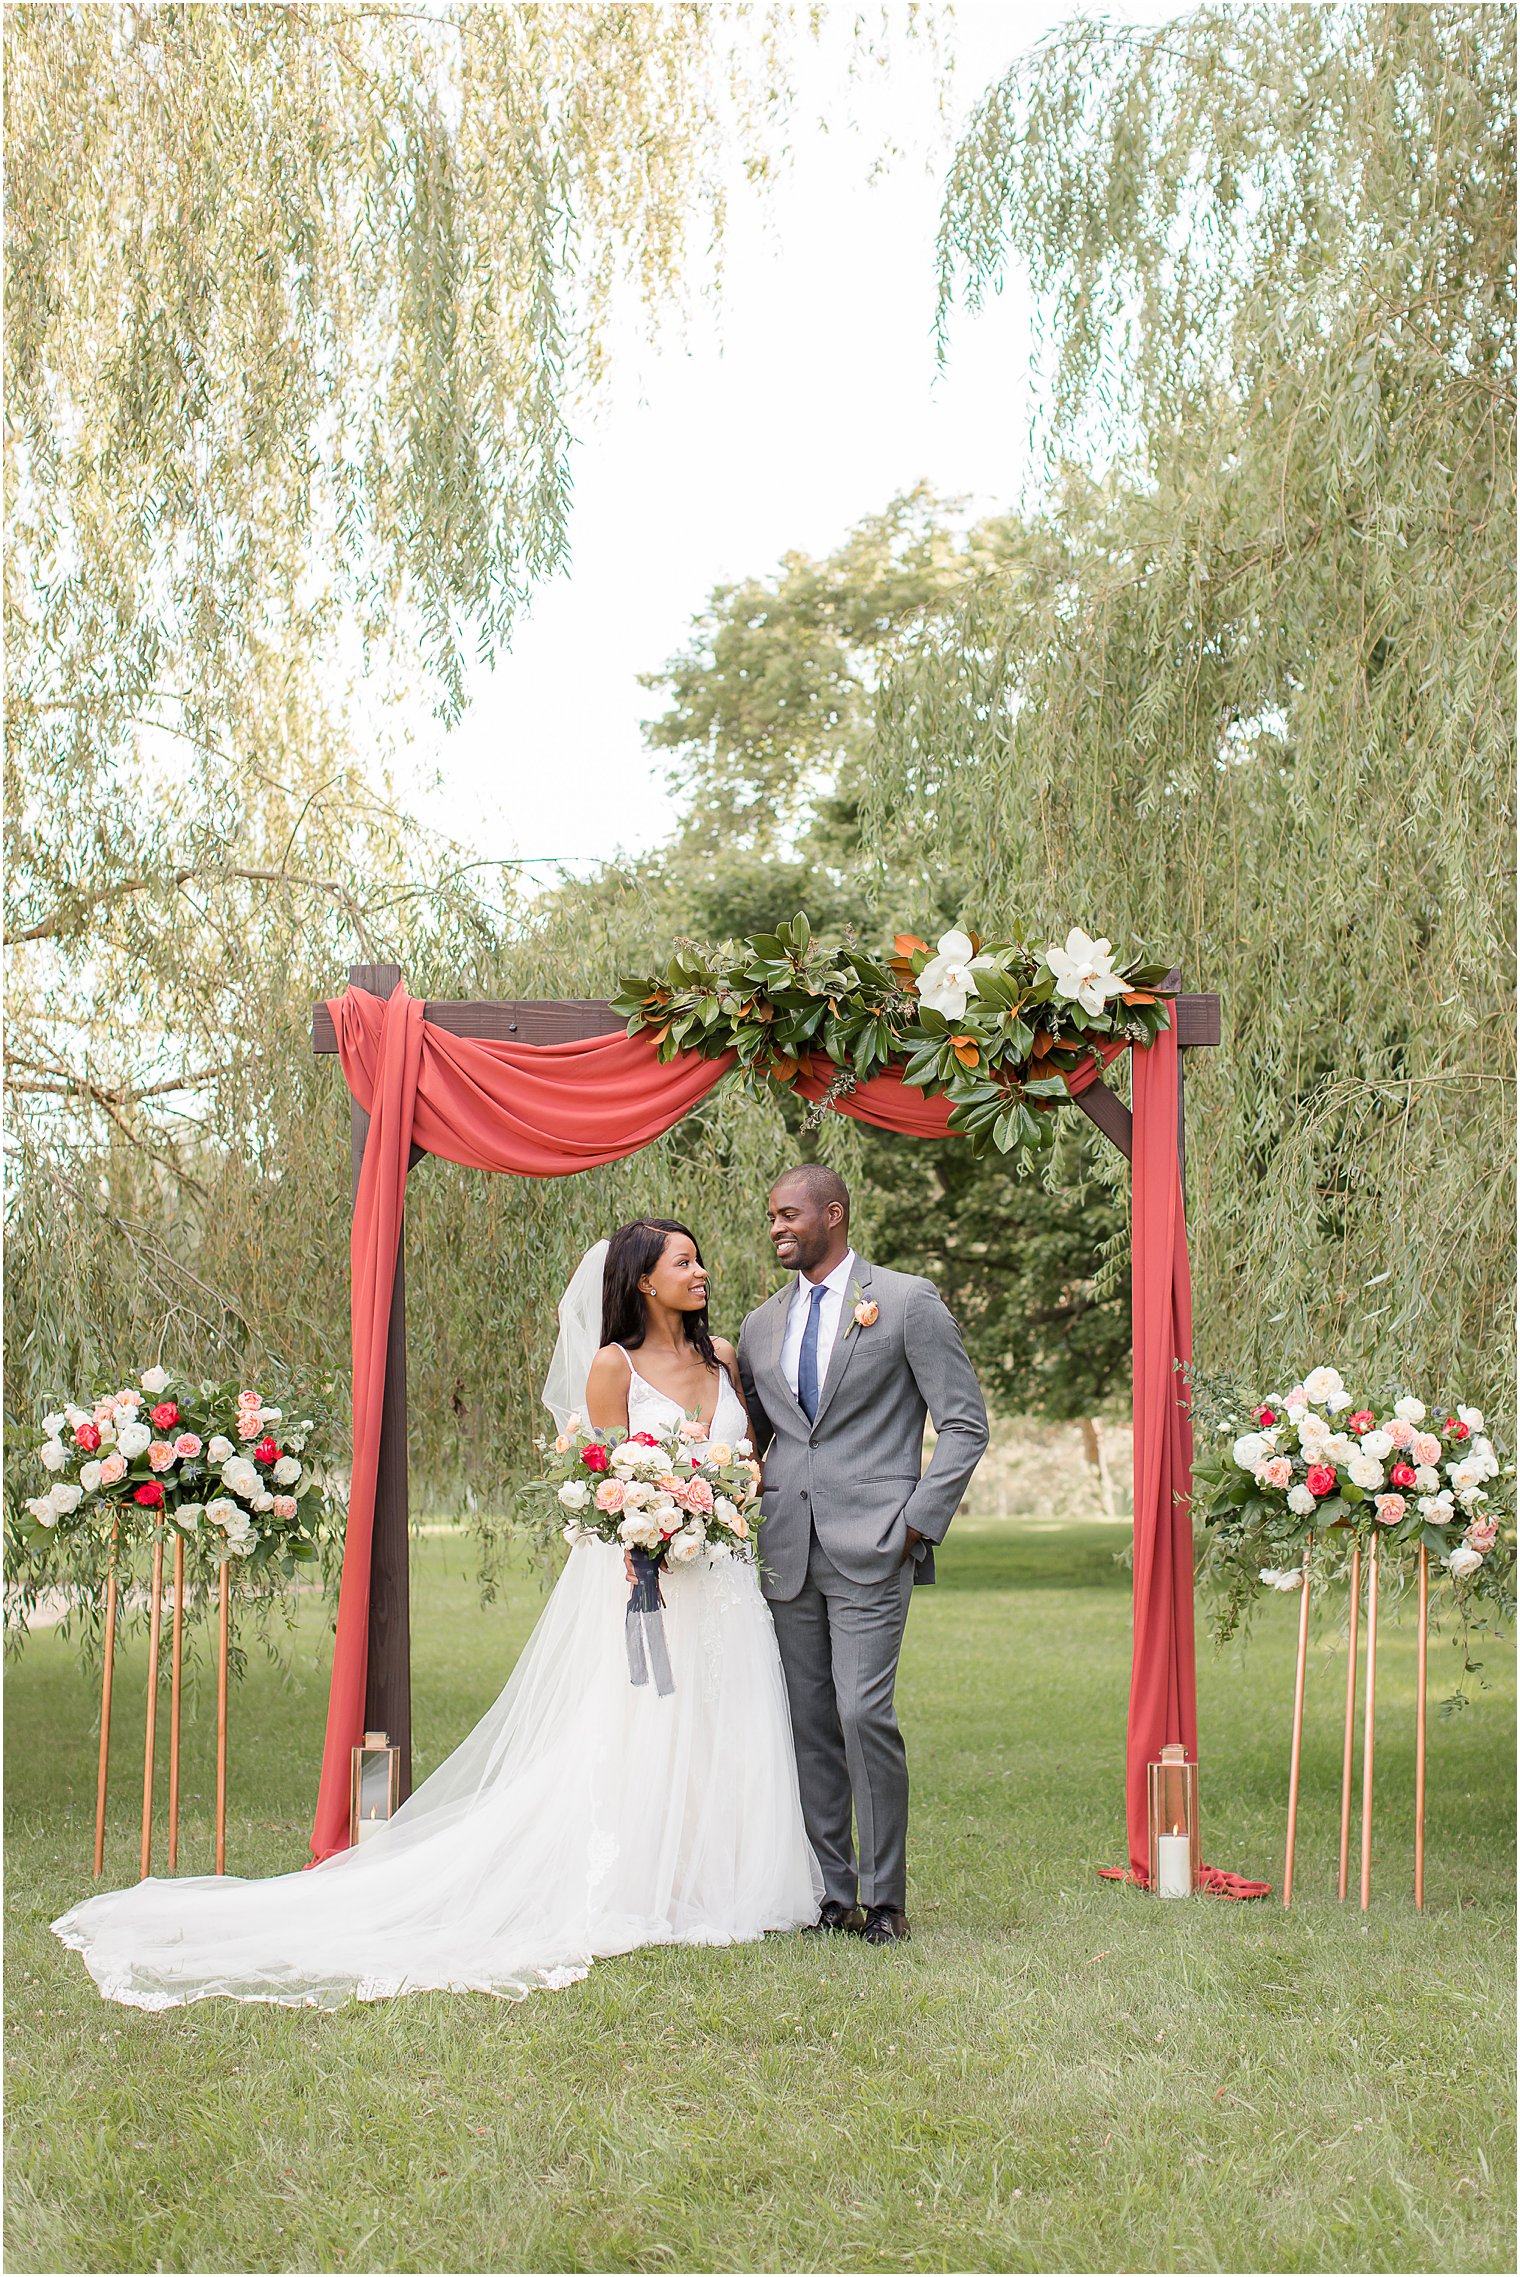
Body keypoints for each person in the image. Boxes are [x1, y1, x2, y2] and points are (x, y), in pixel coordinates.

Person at [53, 1219, 821, 2010]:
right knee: (643, 1724)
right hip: (646, 1579)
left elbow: (753, 1454)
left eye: (698, 1260)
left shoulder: (722, 1357)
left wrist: (721, 1493)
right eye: (683, 1261)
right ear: (641, 1282)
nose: (701, 1272)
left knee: (727, 1716)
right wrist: (653, 1521)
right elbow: (605, 1479)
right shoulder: (611, 1366)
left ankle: (719, 1881)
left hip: (724, 1581)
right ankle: (640, 1880)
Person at [738, 1165, 988, 1945]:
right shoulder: (758, 1326)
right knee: (808, 1721)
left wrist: (915, 1520)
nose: (777, 1227)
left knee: (861, 1711)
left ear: (833, 1214)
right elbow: (757, 1437)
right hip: (786, 1546)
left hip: (876, 1544)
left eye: (789, 1214)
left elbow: (965, 1423)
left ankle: (886, 1899)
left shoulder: (908, 1302)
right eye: (771, 1217)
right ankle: (828, 1893)